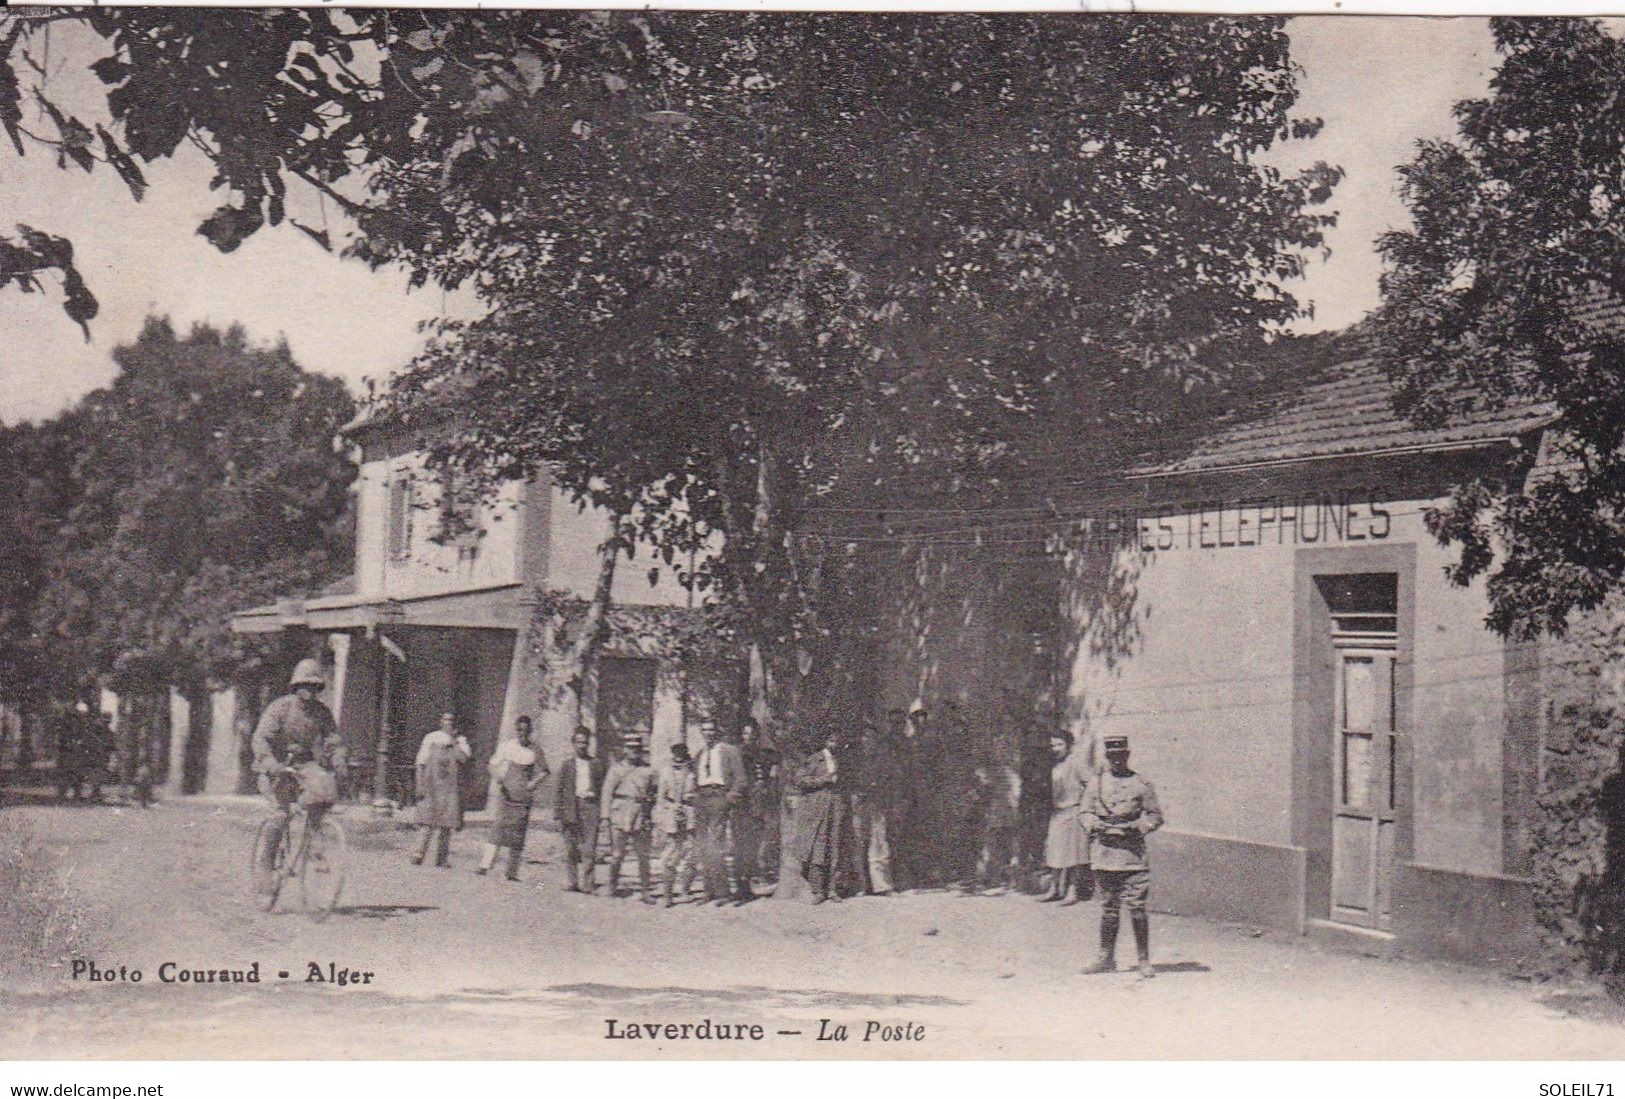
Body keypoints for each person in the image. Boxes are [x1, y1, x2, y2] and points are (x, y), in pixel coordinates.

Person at [251, 659, 343, 879]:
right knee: (281, 814)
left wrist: (339, 762)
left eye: (314, 687)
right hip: (276, 766)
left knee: (322, 796)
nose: (310, 692)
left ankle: (314, 847)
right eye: (305, 686)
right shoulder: (280, 708)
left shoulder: (322, 712)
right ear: (296, 686)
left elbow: (333, 740)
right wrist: (271, 764)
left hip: (304, 765)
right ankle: (265, 866)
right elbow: (261, 738)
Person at [1083, 735, 1163, 978]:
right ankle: (1106, 958)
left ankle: (1143, 960)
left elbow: (1155, 816)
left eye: (1121, 756)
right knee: (1109, 908)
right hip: (1105, 853)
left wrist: (1137, 828)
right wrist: (1095, 825)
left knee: (1137, 907)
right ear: (1107, 757)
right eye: (1112, 756)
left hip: (1132, 855)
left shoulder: (1141, 784)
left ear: (1127, 756)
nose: (1116, 760)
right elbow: (1084, 812)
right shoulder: (1095, 784)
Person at [477, 715, 549, 881]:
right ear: (516, 730)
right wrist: (499, 778)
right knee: (498, 828)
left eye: (526, 730)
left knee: (518, 833)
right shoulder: (507, 746)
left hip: (523, 797)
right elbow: (492, 764)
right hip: (507, 794)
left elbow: (545, 770)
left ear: (530, 731)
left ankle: (512, 872)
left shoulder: (535, 749)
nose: (522, 733)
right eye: (519, 730)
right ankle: (485, 865)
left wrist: (533, 783)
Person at [788, 728, 854, 904]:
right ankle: (818, 890)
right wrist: (823, 780)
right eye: (831, 740)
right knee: (818, 847)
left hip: (837, 806)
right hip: (817, 807)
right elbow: (799, 780)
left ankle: (833, 889)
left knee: (836, 847)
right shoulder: (814, 759)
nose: (835, 743)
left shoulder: (844, 760)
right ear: (825, 741)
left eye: (838, 740)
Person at [692, 719, 746, 905]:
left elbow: (741, 779)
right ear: (701, 732)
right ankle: (708, 890)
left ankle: (723, 892)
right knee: (702, 845)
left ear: (717, 731)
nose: (708, 733)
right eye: (705, 729)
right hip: (701, 799)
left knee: (715, 843)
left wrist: (729, 798)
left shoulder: (729, 751)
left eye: (711, 729)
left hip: (718, 797)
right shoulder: (699, 754)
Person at [411, 712, 471, 868]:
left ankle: (441, 858)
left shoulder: (461, 741)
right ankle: (418, 854)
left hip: (450, 787)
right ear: (440, 722)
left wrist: (453, 741)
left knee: (447, 824)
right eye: (446, 719)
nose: (448, 723)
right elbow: (420, 763)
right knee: (427, 822)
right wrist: (419, 784)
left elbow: (463, 759)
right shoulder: (431, 738)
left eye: (452, 720)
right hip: (432, 784)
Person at [600, 740, 657, 901]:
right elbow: (606, 792)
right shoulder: (616, 769)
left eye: (637, 749)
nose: (634, 751)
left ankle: (646, 891)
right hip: (620, 812)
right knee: (617, 854)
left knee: (643, 855)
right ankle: (612, 886)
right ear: (625, 750)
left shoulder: (648, 770)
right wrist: (605, 816)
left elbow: (656, 791)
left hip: (640, 813)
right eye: (631, 748)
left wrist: (651, 808)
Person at [853, 713, 902, 895]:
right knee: (859, 843)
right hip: (858, 803)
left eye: (870, 736)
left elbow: (888, 778)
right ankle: (862, 885)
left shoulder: (883, 756)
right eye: (864, 736)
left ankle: (882, 885)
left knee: (879, 842)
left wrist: (875, 788)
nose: (866, 739)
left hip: (876, 803)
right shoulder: (855, 757)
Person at [553, 727, 606, 893]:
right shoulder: (567, 765)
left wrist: (602, 813)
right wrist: (557, 814)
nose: (582, 746)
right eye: (579, 742)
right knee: (570, 847)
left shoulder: (596, 764)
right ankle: (572, 882)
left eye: (585, 742)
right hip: (571, 807)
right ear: (573, 743)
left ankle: (588, 884)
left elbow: (602, 788)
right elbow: (559, 790)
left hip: (590, 807)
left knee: (589, 848)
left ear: (589, 743)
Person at [1042, 729, 1092, 904]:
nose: (1056, 748)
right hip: (1058, 812)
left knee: (1073, 855)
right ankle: (1054, 889)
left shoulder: (1076, 763)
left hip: (1073, 812)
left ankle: (1072, 892)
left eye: (1059, 744)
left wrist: (1083, 809)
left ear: (1068, 745)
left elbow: (1090, 786)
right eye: (1053, 745)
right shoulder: (1055, 765)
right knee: (1054, 851)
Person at [729, 720, 772, 903]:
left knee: (754, 846)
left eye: (752, 734)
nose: (749, 737)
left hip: (757, 806)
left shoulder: (763, 754)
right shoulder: (736, 754)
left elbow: (768, 775)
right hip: (741, 806)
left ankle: (748, 883)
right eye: (746, 734)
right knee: (739, 846)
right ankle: (740, 887)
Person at [974, 733, 1023, 891]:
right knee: (994, 843)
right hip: (996, 811)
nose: (1001, 752)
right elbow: (985, 791)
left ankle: (1011, 878)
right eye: (998, 749)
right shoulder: (991, 771)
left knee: (1012, 843)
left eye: (1004, 748)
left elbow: (1016, 793)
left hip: (1010, 810)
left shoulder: (1013, 771)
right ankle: (994, 877)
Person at [654, 742, 698, 907]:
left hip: (690, 812)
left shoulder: (694, 771)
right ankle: (667, 894)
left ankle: (685, 890)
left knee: (691, 853)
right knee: (670, 854)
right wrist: (664, 815)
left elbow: (699, 793)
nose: (678, 757)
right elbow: (660, 797)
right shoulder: (666, 771)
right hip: (671, 812)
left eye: (682, 753)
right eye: (675, 753)